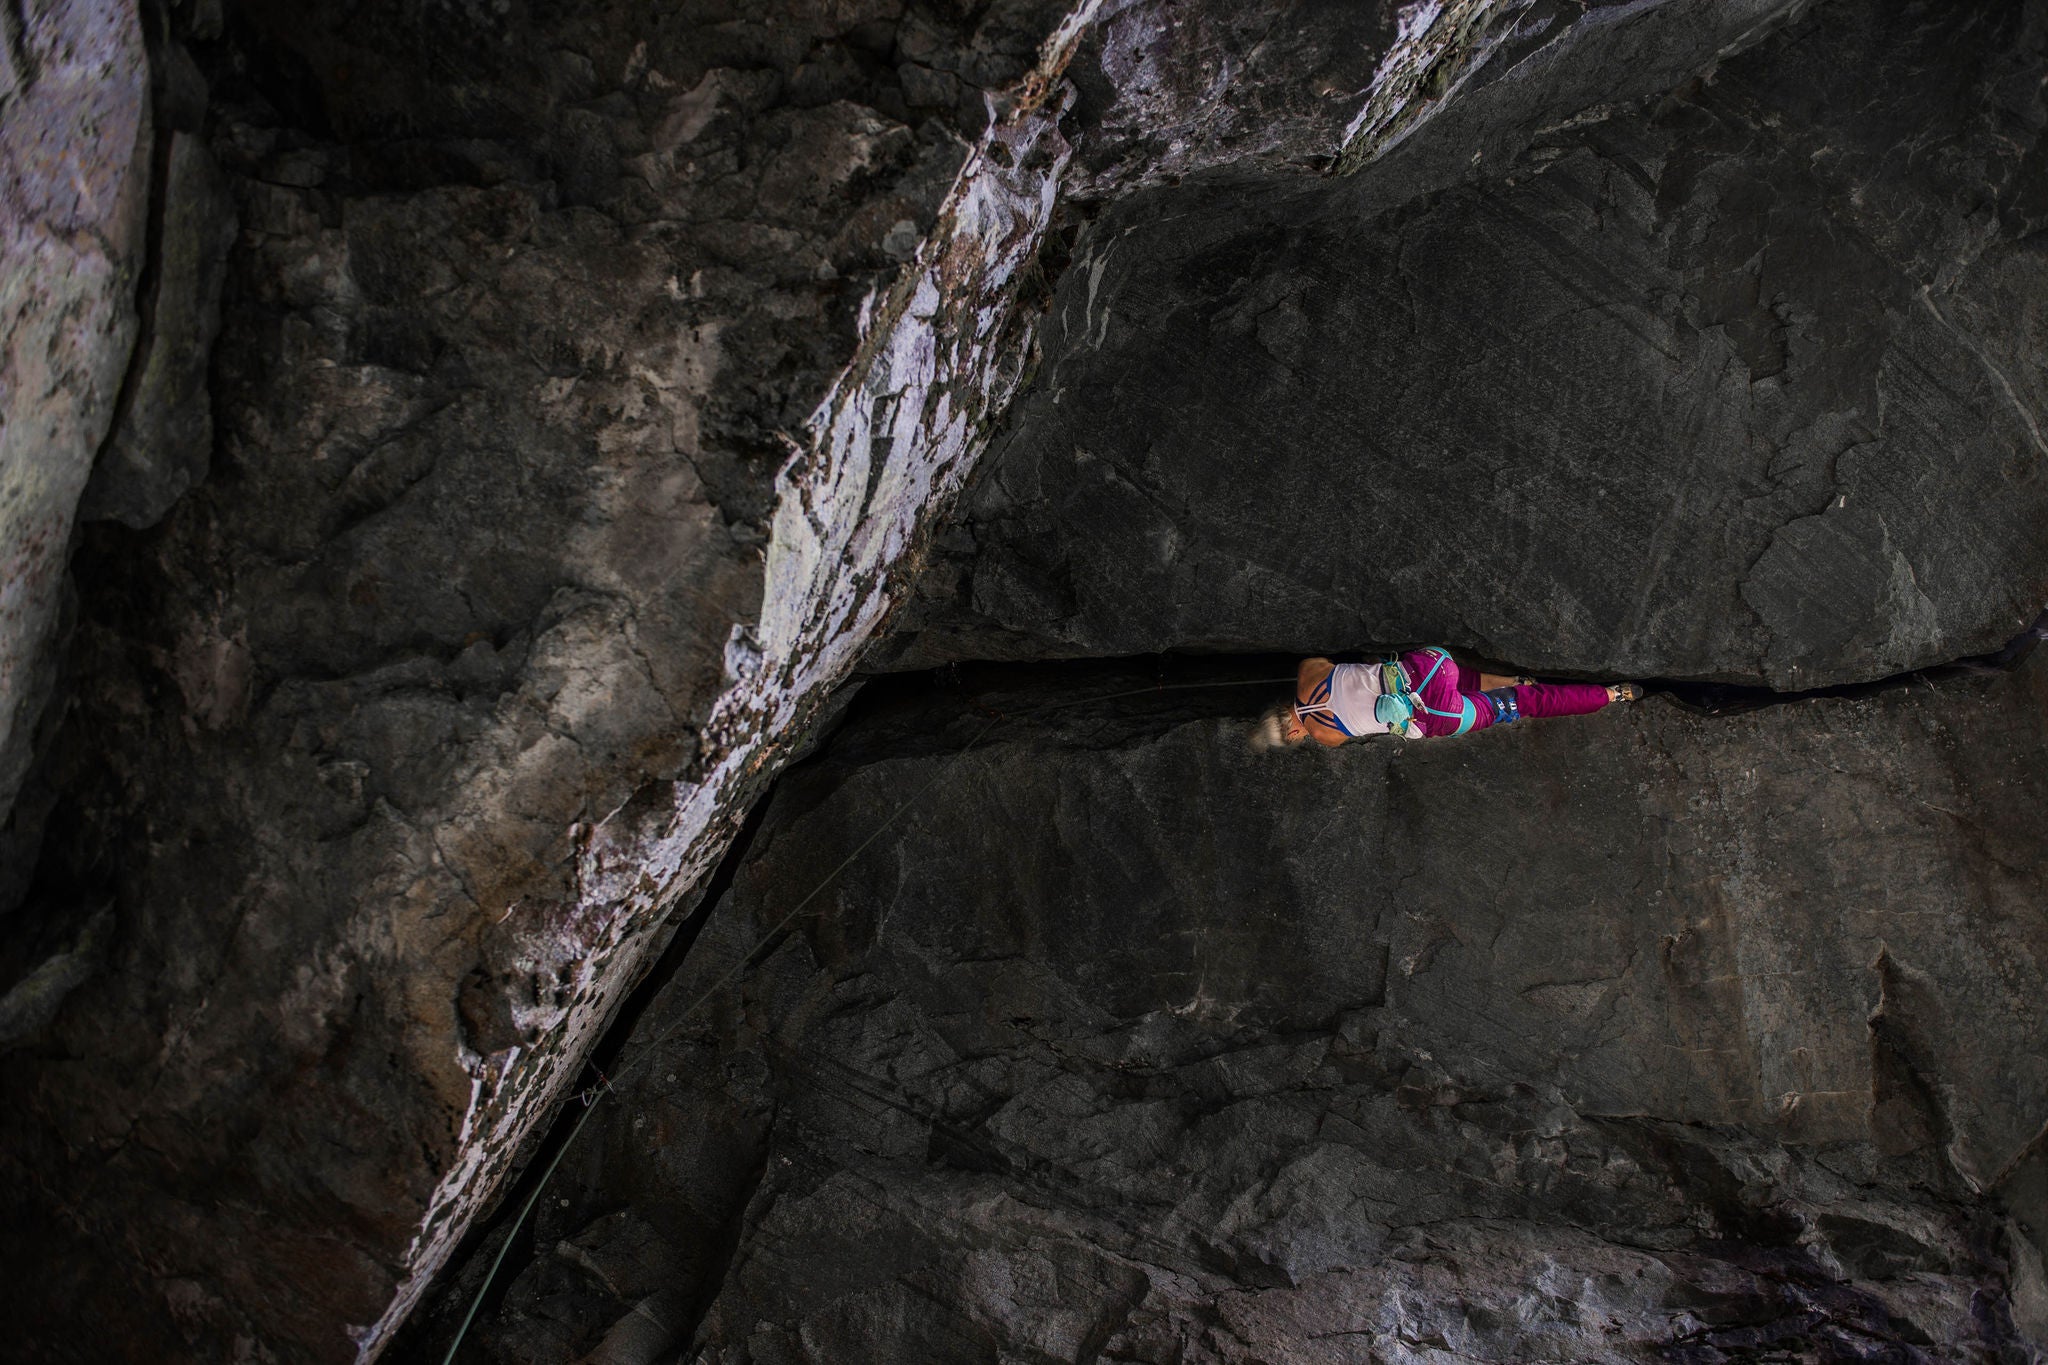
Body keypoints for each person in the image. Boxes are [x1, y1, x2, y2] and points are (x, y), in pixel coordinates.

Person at [1276, 647, 1643, 746]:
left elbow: (1351, 727)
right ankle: (1515, 677)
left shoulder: (1325, 737)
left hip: (1438, 716)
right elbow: (1330, 664)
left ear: (1292, 734)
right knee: (1457, 677)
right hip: (1433, 666)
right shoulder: (1308, 672)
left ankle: (1613, 694)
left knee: (1526, 705)